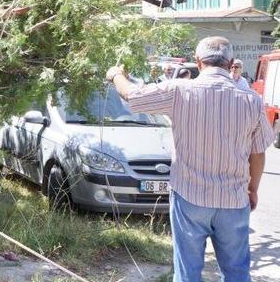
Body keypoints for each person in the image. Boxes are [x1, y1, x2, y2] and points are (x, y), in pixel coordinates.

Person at [106, 36, 275, 282]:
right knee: (237, 272)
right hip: (234, 200)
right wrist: (252, 190)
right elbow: (258, 153)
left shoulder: (178, 90)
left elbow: (132, 96)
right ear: (230, 64)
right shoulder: (251, 101)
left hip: (189, 198)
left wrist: (115, 75)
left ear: (198, 61)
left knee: (187, 272)